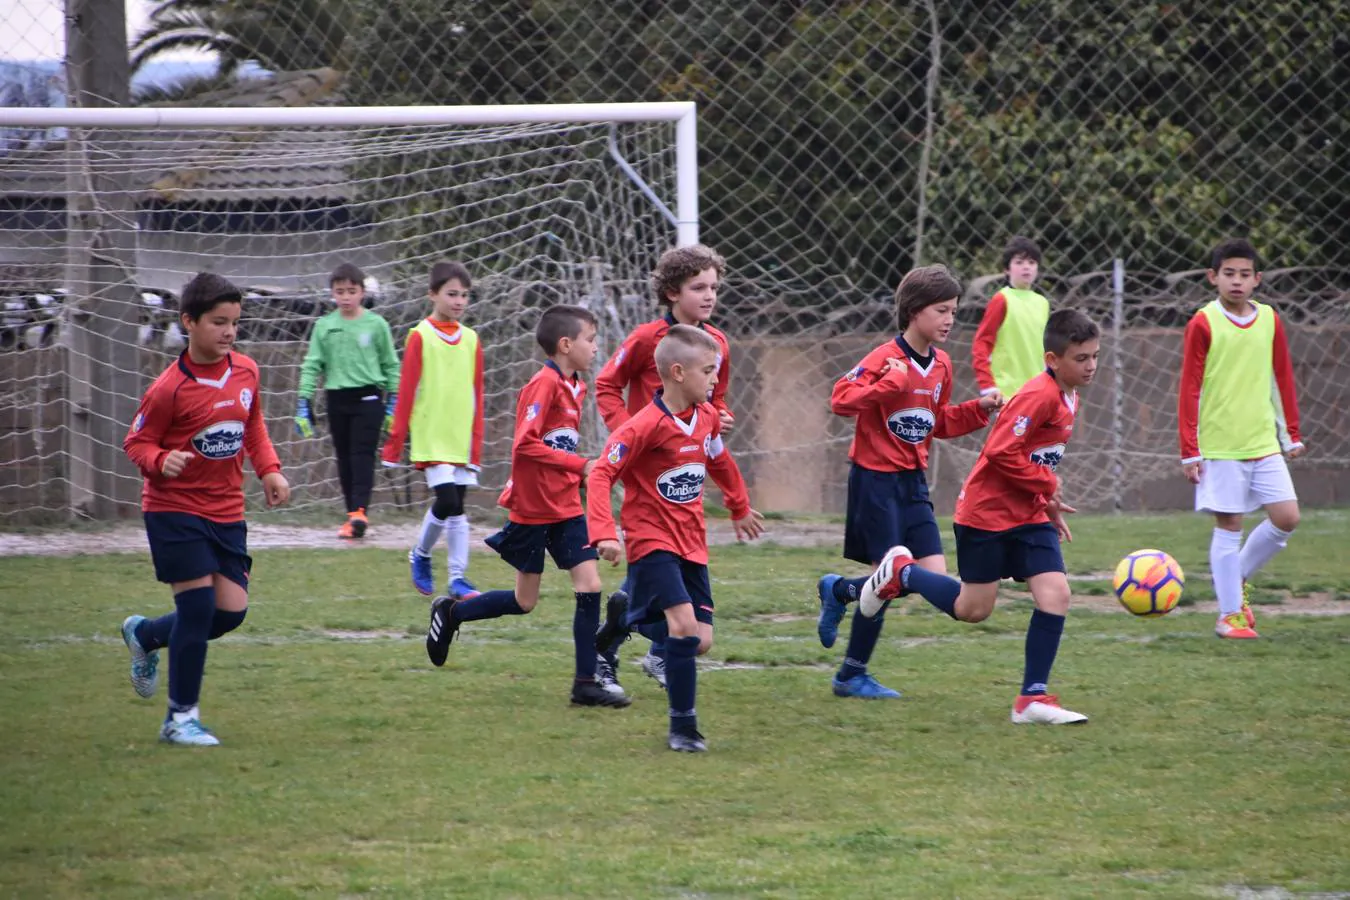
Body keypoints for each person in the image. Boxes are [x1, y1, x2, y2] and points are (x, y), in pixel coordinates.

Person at [854, 309, 1101, 725]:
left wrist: (1048, 499)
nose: (1091, 366)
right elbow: (1001, 452)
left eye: (1095, 356)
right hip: (986, 515)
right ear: (1053, 359)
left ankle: (1032, 700)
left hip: (1029, 515)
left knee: (1057, 593)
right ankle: (903, 574)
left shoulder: (1068, 395)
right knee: (973, 610)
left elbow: (1039, 458)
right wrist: (1046, 484)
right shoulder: (1038, 395)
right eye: (1081, 358)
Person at [423, 305, 631, 708]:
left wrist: (579, 469)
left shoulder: (576, 386)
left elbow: (559, 445)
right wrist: (580, 465)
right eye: (590, 339)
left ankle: (584, 684)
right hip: (534, 509)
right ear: (566, 345)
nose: (595, 347)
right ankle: (451, 614)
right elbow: (526, 444)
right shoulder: (544, 384)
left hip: (567, 506)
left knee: (590, 586)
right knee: (524, 602)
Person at [120, 272, 291, 746]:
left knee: (229, 612)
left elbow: (252, 424)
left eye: (235, 322)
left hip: (226, 510)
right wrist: (160, 460)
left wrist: (270, 469)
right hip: (173, 509)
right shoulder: (168, 388)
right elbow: (136, 442)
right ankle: (180, 719)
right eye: (219, 322)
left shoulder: (246, 372)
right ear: (188, 323)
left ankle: (147, 634)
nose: (230, 332)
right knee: (196, 607)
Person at [815, 265, 1001, 698]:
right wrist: (884, 387)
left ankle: (838, 590)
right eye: (942, 310)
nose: (950, 319)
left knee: (926, 579)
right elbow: (840, 399)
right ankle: (851, 675)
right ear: (914, 311)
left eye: (954, 310)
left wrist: (979, 409)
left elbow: (937, 423)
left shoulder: (941, 364)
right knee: (894, 575)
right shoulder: (885, 359)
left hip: (913, 484)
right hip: (875, 483)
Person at [587, 324, 764, 751]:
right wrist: (605, 533)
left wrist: (739, 506)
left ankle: (623, 618)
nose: (716, 380)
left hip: (692, 542)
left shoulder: (705, 419)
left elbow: (719, 462)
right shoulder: (642, 426)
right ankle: (683, 729)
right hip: (651, 540)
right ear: (679, 373)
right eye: (709, 371)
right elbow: (600, 473)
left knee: (700, 640)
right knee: (683, 629)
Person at [594, 244, 735, 689]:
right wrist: (630, 433)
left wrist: (719, 419)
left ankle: (644, 639)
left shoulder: (718, 344)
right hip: (644, 463)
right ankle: (623, 647)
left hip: (683, 464)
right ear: (673, 292)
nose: (709, 295)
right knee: (656, 552)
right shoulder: (645, 338)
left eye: (714, 286)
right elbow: (606, 384)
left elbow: (715, 400)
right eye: (699, 287)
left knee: (662, 568)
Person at [1178, 238, 1305, 640]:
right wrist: (1190, 451)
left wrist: (1291, 434)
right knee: (1229, 524)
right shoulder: (1203, 322)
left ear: (1257, 280)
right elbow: (1190, 388)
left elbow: (1280, 378)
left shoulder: (1269, 319)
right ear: (1213, 277)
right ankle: (1229, 615)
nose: (1237, 281)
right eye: (1228, 274)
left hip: (1263, 440)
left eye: (1244, 275)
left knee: (1287, 518)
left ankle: (1235, 578)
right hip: (1220, 444)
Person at [382, 261, 484, 599]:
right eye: (451, 294)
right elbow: (407, 390)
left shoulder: (471, 339)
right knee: (448, 499)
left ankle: (458, 578)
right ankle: (421, 554)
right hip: (432, 434)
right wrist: (395, 443)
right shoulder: (420, 336)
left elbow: (477, 395)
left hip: (460, 437)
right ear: (433, 295)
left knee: (459, 505)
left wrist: (476, 444)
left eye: (464, 295)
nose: (458, 301)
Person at [294, 262, 400, 539]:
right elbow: (312, 364)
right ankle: (352, 513)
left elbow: (390, 365)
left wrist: (394, 401)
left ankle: (359, 512)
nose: (345, 297)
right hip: (337, 399)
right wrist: (303, 401)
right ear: (332, 293)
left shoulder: (376, 325)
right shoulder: (325, 326)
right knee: (343, 457)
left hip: (368, 397)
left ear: (362, 292)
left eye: (351, 291)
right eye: (339, 291)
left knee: (362, 454)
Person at [971, 236, 1051, 400]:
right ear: (1007, 269)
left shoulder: (1042, 303)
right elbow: (982, 343)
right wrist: (987, 385)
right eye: (1019, 262)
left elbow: (1045, 349)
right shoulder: (1002, 299)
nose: (1026, 267)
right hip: (1007, 393)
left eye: (1031, 262)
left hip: (1038, 392)